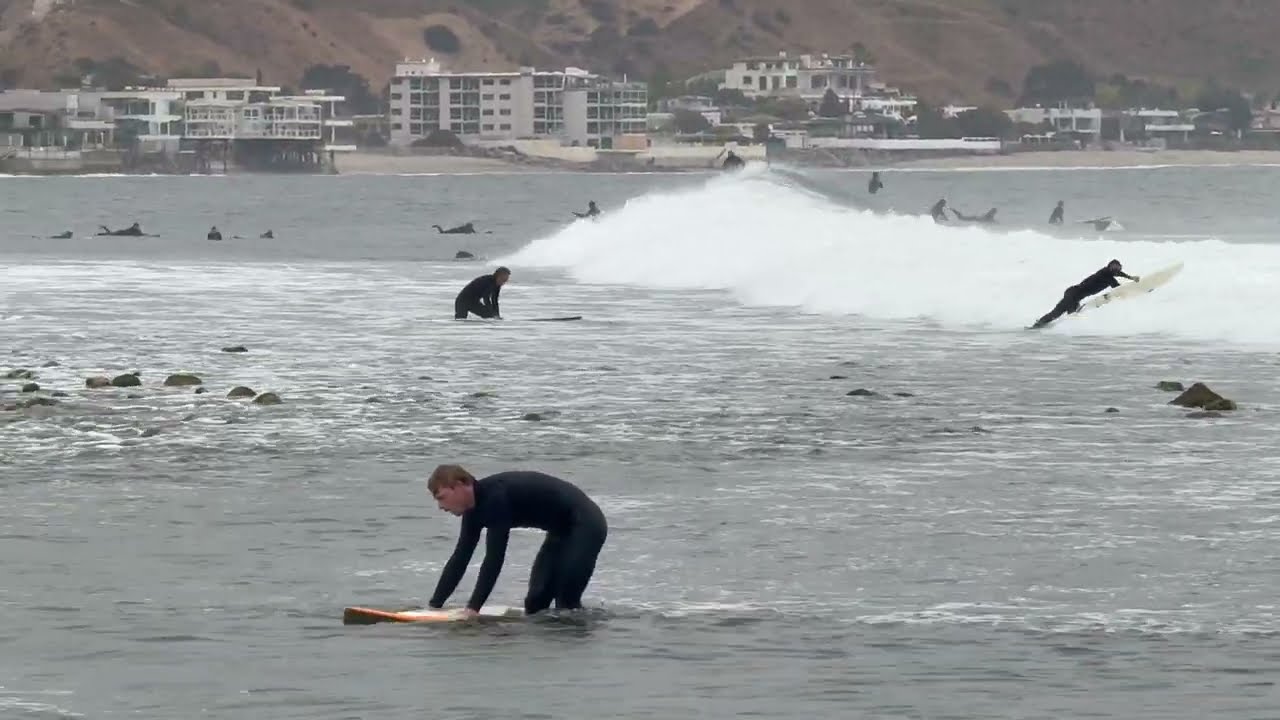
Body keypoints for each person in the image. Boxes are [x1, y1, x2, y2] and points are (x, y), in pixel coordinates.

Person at [426, 465, 609, 618]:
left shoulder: (495, 498)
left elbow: (494, 559)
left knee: (567, 603)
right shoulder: (472, 512)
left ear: (460, 485)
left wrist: (473, 609)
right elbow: (460, 558)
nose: (441, 507)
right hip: (560, 531)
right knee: (535, 604)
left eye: (442, 498)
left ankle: (586, 646)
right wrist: (435, 606)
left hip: (586, 524)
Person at [1031, 259, 1140, 329]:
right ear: (1109, 267)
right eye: (1114, 268)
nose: (1116, 270)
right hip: (1072, 293)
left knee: (1060, 313)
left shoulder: (1110, 273)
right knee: (1069, 314)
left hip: (1075, 296)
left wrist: (1130, 277)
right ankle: (1038, 325)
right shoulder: (1105, 275)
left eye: (1118, 268)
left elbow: (1119, 274)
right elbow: (1117, 287)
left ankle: (1040, 324)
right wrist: (1136, 288)